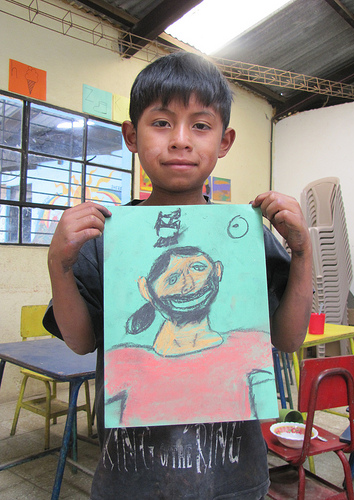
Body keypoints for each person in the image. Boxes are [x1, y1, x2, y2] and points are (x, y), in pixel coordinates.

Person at [43, 51, 313, 499]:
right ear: (131, 135)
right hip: (131, 480)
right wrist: (59, 265)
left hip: (233, 478)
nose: (181, 140)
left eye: (201, 126)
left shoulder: (246, 237)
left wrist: (302, 254)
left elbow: (287, 340)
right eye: (162, 123)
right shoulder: (106, 238)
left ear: (224, 142)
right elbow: (81, 341)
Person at [105, 245, 277, 427]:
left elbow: (267, 419)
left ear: (217, 270)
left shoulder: (250, 346)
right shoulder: (123, 361)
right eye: (172, 279)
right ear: (147, 291)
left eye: (198, 268)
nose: (189, 284)